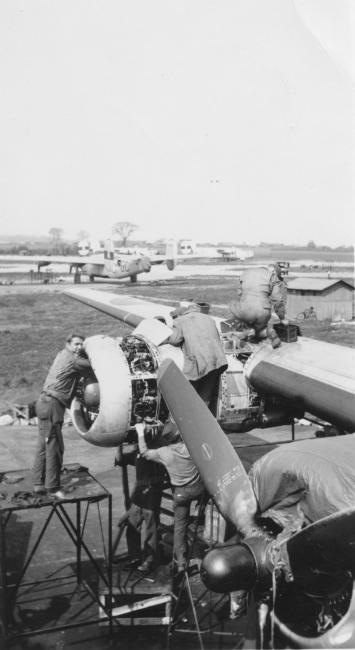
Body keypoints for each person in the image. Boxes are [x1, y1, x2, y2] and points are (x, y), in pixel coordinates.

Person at [136, 419, 205, 573]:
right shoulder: (191, 447)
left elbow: (144, 453)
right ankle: (202, 513)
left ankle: (181, 563)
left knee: (180, 526)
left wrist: (141, 433)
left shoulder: (164, 453)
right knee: (204, 499)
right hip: (198, 489)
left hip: (181, 493)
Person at [32, 334, 92, 498]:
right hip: (52, 405)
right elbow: (94, 365)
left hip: (44, 402)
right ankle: (53, 487)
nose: (79, 347)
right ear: (68, 344)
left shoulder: (61, 354)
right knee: (55, 447)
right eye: (76, 344)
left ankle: (38, 483)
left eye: (81, 344)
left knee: (43, 446)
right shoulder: (74, 360)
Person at [163, 302, 227, 416]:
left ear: (181, 312)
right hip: (217, 361)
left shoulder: (180, 321)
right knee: (205, 396)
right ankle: (204, 423)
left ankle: (190, 422)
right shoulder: (209, 318)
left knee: (189, 396)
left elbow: (175, 340)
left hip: (199, 363)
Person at [117, 440, 166, 573]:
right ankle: (135, 557)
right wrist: (118, 444)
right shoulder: (137, 452)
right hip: (139, 493)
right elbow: (120, 460)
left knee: (151, 527)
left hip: (152, 491)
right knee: (132, 524)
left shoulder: (156, 452)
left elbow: (147, 454)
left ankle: (149, 560)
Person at [229, 263, 288, 348]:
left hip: (244, 309)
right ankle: (267, 331)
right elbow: (277, 300)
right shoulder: (272, 276)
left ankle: (247, 331)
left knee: (243, 320)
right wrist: (282, 318)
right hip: (262, 311)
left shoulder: (246, 273)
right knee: (259, 327)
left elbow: (239, 292)